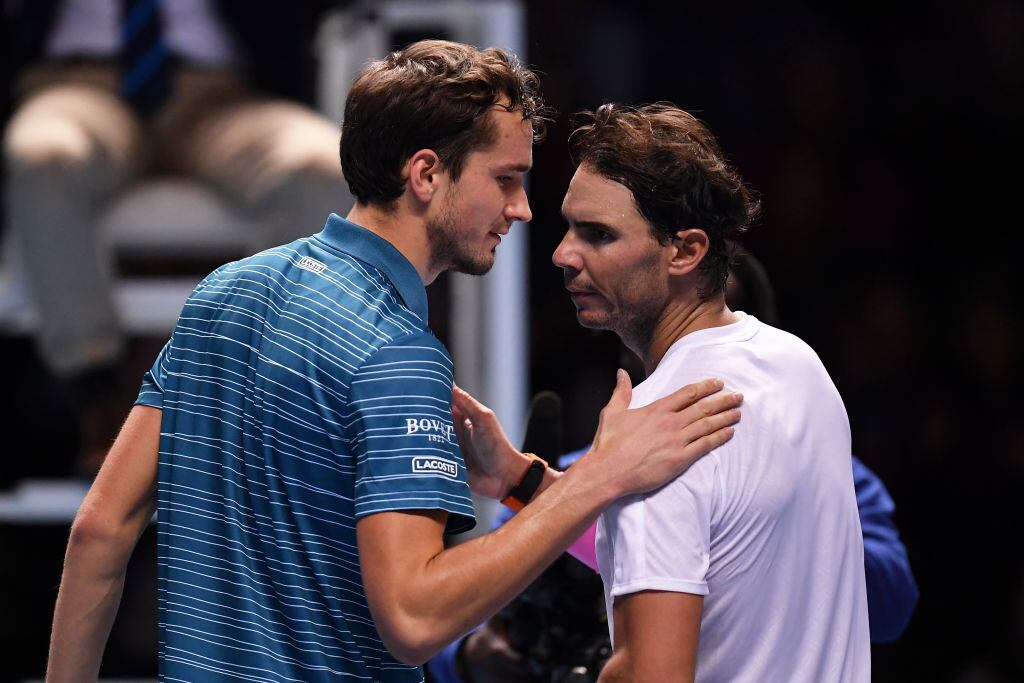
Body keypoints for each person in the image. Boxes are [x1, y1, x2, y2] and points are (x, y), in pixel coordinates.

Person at [44, 41, 745, 682]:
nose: (522, 209)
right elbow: (415, 619)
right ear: (426, 174)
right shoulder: (397, 354)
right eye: (506, 179)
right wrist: (597, 479)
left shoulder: (225, 292)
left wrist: (522, 479)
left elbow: (99, 531)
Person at [430, 252, 918, 683]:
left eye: (710, 331)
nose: (685, 351)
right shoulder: (584, 471)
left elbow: (892, 604)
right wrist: (469, 657)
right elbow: (446, 628)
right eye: (669, 336)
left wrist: (780, 520)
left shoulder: (826, 464)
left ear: (759, 339)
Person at [548, 103, 869, 682]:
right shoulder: (799, 364)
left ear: (685, 251)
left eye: (598, 234)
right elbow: (716, 550)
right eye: (569, 227)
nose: (563, 254)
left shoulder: (656, 426)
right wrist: (520, 481)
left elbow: (654, 673)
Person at [2, 1, 350, 470]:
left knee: (318, 168)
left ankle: (256, 401)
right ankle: (99, 397)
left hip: (226, 93)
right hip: (77, 84)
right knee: (44, 157)